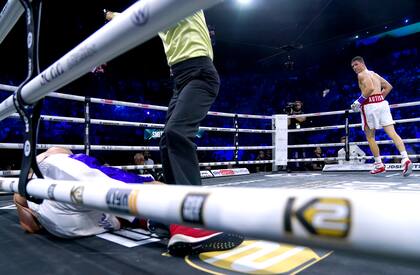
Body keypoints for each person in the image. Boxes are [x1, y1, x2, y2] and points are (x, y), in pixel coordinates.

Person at [14, 147, 244, 256]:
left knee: (121, 215)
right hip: (56, 173)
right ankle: (185, 225)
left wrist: (29, 204)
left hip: (62, 227)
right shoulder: (55, 158)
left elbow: (29, 225)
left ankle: (159, 223)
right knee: (136, 189)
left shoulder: (27, 181)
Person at [105, 10, 220, 186]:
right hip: (179, 80)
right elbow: (132, 18)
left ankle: (192, 198)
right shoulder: (158, 17)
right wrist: (108, 14)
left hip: (200, 74)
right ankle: (175, 196)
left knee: (176, 132)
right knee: (166, 140)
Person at [350, 56, 413, 176]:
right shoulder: (374, 74)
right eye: (352, 66)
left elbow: (370, 88)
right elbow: (388, 87)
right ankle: (405, 158)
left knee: (370, 136)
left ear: (362, 64)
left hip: (370, 107)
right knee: (392, 133)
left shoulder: (361, 74)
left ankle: (379, 164)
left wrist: (358, 101)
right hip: (382, 104)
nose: (354, 68)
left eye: (356, 64)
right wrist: (378, 99)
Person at [287, 100, 307, 171]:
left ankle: (301, 166)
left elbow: (302, 119)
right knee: (290, 150)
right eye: (295, 105)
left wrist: (293, 114)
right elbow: (288, 124)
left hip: (300, 133)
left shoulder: (303, 112)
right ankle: (290, 167)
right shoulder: (290, 112)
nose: (297, 106)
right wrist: (289, 115)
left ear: (301, 105)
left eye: (298, 104)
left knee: (301, 149)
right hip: (291, 133)